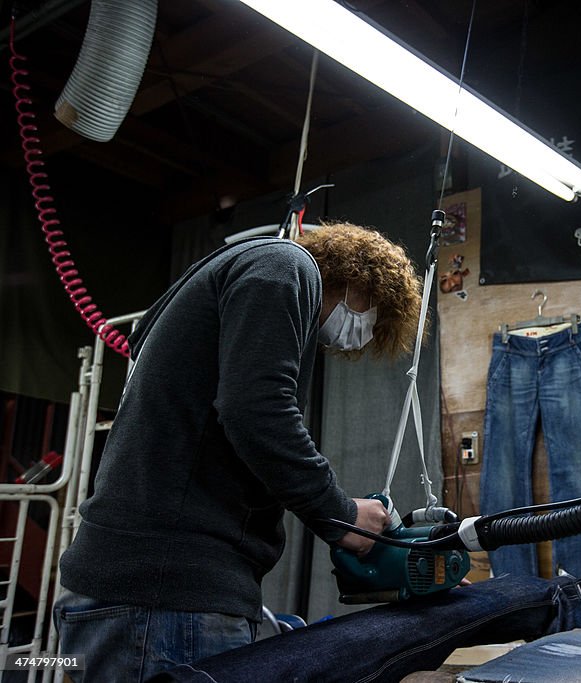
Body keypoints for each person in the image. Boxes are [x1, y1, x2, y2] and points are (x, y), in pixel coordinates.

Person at [54, 222, 424, 681]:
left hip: (129, 596)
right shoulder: (284, 266)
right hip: (166, 602)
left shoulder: (216, 283)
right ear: (360, 278)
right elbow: (258, 412)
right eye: (374, 316)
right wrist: (342, 514)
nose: (365, 333)